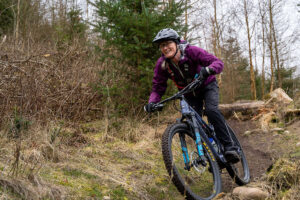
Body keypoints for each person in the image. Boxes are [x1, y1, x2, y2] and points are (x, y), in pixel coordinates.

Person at [144, 28, 239, 163]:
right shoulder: (162, 64)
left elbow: (217, 62)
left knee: (211, 111)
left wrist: (209, 69)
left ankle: (230, 147)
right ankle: (211, 154)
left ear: (176, 43)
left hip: (207, 86)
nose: (165, 48)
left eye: (168, 44)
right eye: (162, 45)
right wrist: (152, 102)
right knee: (193, 122)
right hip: (189, 93)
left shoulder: (191, 51)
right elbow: (158, 87)